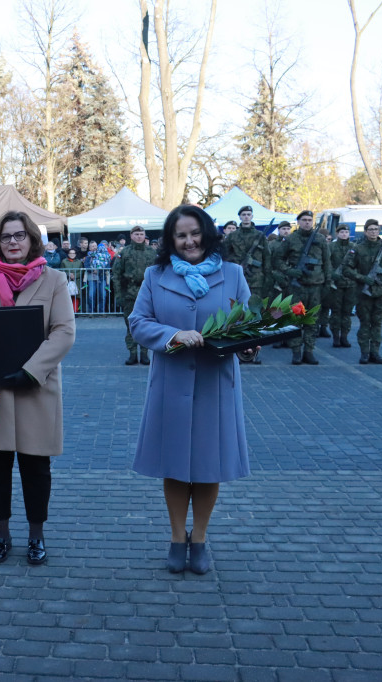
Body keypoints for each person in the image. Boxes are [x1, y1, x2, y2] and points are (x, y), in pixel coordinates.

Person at [128, 204, 251, 575]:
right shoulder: (155, 275)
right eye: (180, 235)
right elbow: (138, 322)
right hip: (171, 382)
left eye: (194, 233)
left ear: (207, 233)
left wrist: (249, 342)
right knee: (175, 464)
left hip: (216, 383)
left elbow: (245, 320)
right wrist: (173, 335)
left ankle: (199, 538)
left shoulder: (233, 274)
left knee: (208, 464)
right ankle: (175, 537)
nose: (189, 241)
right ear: (170, 240)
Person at [0, 210, 75, 565]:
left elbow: (64, 331)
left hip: (35, 389)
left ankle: (36, 536)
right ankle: (1, 535)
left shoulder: (53, 279)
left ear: (32, 240)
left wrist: (32, 370)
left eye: (19, 236)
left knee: (36, 468)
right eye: (6, 237)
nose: (13, 242)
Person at [276, 211, 330, 365]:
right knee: (296, 319)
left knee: (312, 320)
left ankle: (309, 351)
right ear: (298, 221)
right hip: (297, 287)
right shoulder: (291, 239)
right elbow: (278, 259)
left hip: (315, 286)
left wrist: (327, 282)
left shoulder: (320, 239)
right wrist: (288, 270)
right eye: (304, 220)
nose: (307, 222)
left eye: (309, 220)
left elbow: (327, 262)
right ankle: (296, 352)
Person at [342, 219, 382, 364]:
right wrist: (363, 278)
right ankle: (364, 353)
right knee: (365, 323)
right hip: (363, 292)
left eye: (376, 229)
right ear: (365, 231)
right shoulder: (358, 248)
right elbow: (346, 269)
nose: (373, 232)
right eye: (370, 229)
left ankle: (375, 352)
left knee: (377, 323)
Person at [222, 205, 270, 364]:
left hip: (256, 279)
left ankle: (255, 351)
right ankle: (238, 350)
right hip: (237, 278)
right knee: (238, 315)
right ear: (240, 217)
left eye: (249, 214)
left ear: (252, 216)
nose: (246, 217)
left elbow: (266, 258)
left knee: (256, 315)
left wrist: (267, 278)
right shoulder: (232, 236)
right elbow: (225, 257)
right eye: (244, 214)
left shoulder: (260, 236)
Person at [112, 225, 158, 365]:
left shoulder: (151, 252)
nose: (139, 236)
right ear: (131, 236)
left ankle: (144, 353)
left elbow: (158, 273)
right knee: (131, 324)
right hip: (129, 294)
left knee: (146, 324)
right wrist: (119, 295)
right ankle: (132, 354)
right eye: (136, 234)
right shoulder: (124, 253)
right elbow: (117, 275)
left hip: (147, 294)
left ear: (145, 236)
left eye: (141, 234)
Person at [327, 225, 356, 347]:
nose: (344, 234)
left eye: (346, 232)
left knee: (347, 312)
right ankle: (336, 337)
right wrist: (331, 274)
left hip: (350, 284)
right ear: (337, 233)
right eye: (342, 232)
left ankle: (344, 336)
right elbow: (327, 262)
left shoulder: (354, 247)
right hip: (336, 284)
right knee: (336, 311)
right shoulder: (332, 246)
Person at [60, 248, 83, 313]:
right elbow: (62, 270)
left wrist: (75, 276)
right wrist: (68, 274)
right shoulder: (64, 261)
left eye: (73, 253)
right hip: (67, 281)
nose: (72, 255)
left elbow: (81, 272)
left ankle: (75, 310)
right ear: (68, 254)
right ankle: (68, 312)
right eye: (70, 253)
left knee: (76, 296)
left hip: (77, 281)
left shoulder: (79, 262)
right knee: (68, 297)